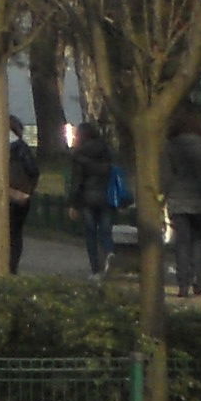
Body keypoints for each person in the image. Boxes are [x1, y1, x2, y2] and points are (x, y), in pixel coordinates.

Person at [161, 107, 201, 300]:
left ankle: (183, 284)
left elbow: (166, 176)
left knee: (182, 242)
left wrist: (161, 198)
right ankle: (198, 280)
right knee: (199, 241)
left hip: (178, 200)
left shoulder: (171, 146)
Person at [68, 118, 117, 281]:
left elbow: (77, 182)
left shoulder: (79, 154)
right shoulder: (106, 151)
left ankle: (96, 269)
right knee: (105, 230)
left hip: (87, 199)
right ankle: (109, 253)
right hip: (106, 197)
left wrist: (74, 204)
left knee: (90, 234)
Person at [5, 120, 41, 274]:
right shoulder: (21, 147)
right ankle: (12, 267)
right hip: (20, 195)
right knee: (16, 233)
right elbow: (33, 169)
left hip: (1, 193)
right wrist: (29, 188)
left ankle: (0, 263)